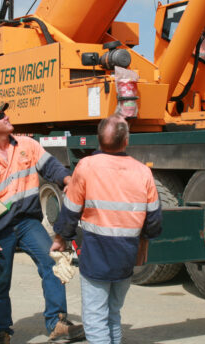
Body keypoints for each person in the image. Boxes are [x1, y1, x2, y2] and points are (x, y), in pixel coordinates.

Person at [0, 103, 85, 344]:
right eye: (1, 116)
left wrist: (67, 178)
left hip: (27, 223)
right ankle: (1, 331)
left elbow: (50, 166)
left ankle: (57, 323)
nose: (7, 116)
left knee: (52, 264)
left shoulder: (27, 145)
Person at [51, 114, 163, 344]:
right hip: (126, 256)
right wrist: (144, 242)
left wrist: (61, 238)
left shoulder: (86, 166)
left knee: (95, 318)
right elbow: (154, 220)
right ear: (126, 141)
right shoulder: (143, 172)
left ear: (98, 140)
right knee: (113, 314)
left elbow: (70, 210)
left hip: (96, 256)